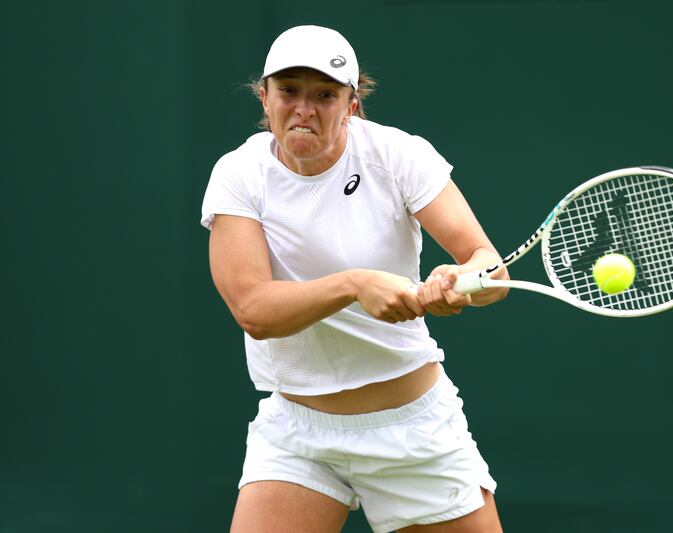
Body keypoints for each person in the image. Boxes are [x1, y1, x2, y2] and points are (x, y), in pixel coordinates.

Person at [201, 24, 509, 533]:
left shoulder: (398, 155)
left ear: (351, 104)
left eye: (325, 95)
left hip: (411, 430)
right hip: (298, 434)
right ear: (265, 96)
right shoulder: (239, 174)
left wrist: (463, 279)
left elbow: (488, 266)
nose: (305, 109)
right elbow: (253, 310)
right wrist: (355, 284)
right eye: (290, 91)